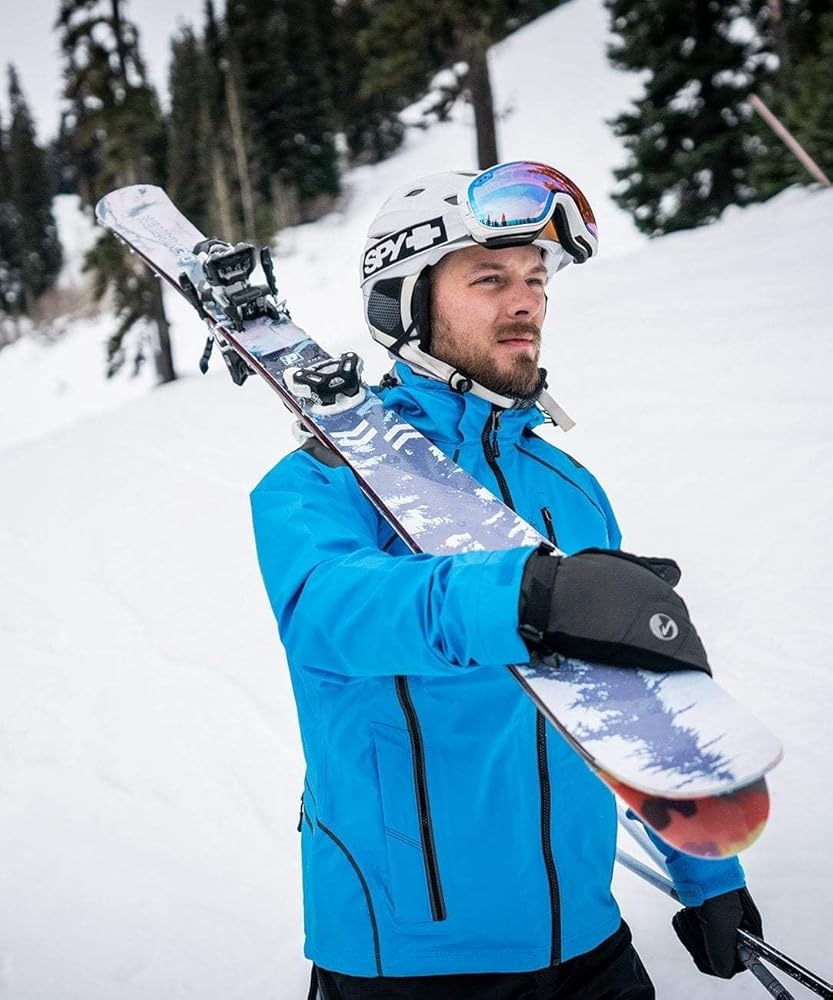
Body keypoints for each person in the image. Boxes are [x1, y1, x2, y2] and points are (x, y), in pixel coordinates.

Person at [250, 161, 763, 999]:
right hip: (408, 959)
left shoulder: (569, 489)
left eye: (535, 280)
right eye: (489, 279)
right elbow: (329, 616)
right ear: (407, 303)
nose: (524, 301)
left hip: (586, 939)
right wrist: (526, 597)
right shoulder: (320, 483)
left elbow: (630, 701)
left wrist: (709, 872)